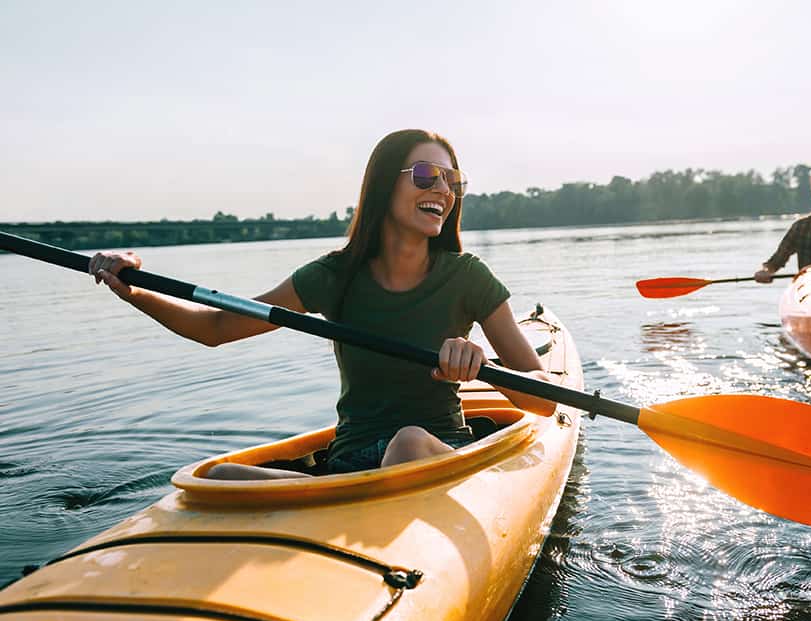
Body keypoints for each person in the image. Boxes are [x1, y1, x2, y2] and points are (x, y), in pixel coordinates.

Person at [88, 129, 556, 479]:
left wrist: (479, 365)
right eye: (426, 175)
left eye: (452, 180)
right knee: (217, 475)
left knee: (408, 442)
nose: (443, 190)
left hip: (433, 452)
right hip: (349, 463)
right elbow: (215, 327)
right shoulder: (333, 276)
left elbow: (543, 400)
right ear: (382, 186)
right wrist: (134, 289)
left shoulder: (468, 277)